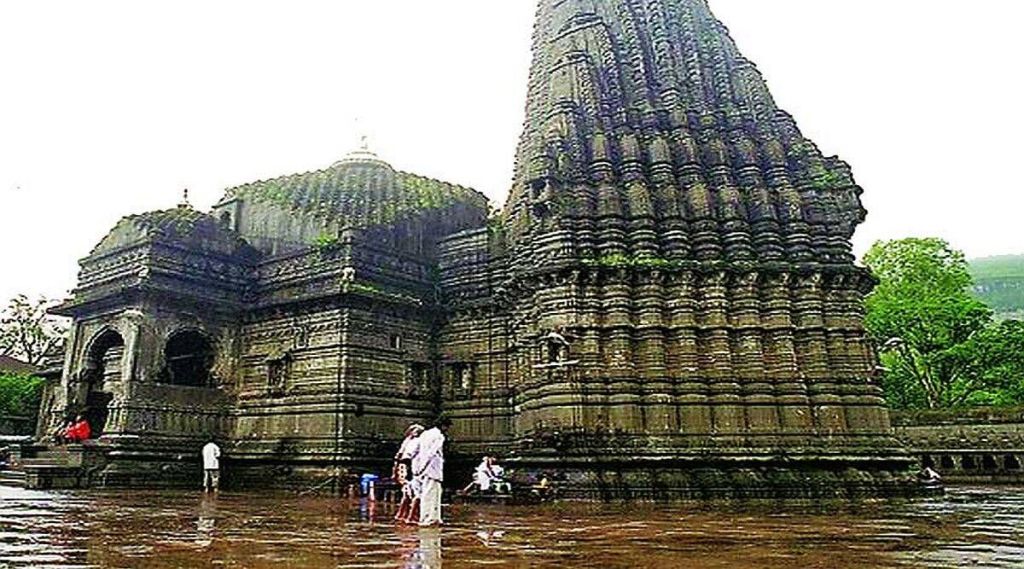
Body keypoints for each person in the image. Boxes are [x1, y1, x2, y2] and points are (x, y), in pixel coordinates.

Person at [411, 416, 451, 527]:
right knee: (431, 495)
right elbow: (432, 452)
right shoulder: (439, 436)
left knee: (430, 493)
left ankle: (433, 517)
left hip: (425, 468)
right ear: (443, 426)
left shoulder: (425, 434)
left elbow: (415, 451)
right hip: (432, 468)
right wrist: (423, 467)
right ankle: (428, 519)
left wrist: (418, 468)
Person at [394, 423, 424, 523]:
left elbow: (399, 456)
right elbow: (405, 456)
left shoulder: (407, 441)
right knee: (417, 494)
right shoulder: (416, 441)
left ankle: (401, 514)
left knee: (407, 493)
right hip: (410, 469)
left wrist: (395, 470)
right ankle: (411, 517)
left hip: (404, 468)